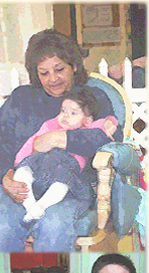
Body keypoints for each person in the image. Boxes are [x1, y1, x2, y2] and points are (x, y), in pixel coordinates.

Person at [0, 28, 122, 252]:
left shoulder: (92, 98)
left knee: (54, 226)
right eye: (44, 73)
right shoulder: (21, 98)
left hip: (68, 186)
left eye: (59, 69)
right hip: (21, 182)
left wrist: (59, 138)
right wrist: (6, 176)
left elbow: (111, 139)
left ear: (73, 65)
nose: (52, 79)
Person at [13, 89, 117, 222]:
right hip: (41, 161)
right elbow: (32, 141)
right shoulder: (50, 125)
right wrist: (20, 161)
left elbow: (105, 122)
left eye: (73, 113)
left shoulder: (87, 128)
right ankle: (30, 205)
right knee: (22, 172)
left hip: (66, 167)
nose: (66, 116)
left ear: (88, 120)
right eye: (63, 111)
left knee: (61, 184)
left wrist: (109, 123)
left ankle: (41, 205)